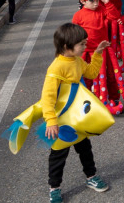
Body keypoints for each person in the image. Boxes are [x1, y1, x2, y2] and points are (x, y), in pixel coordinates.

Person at [42, 23, 110, 202]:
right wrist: (51, 120)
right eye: (81, 44)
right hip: (63, 120)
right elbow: (47, 97)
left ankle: (91, 177)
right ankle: (54, 188)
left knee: (85, 149)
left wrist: (97, 54)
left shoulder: (77, 61)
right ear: (66, 47)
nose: (84, 47)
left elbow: (92, 73)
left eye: (85, 43)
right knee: (58, 155)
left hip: (78, 117)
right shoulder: (56, 68)